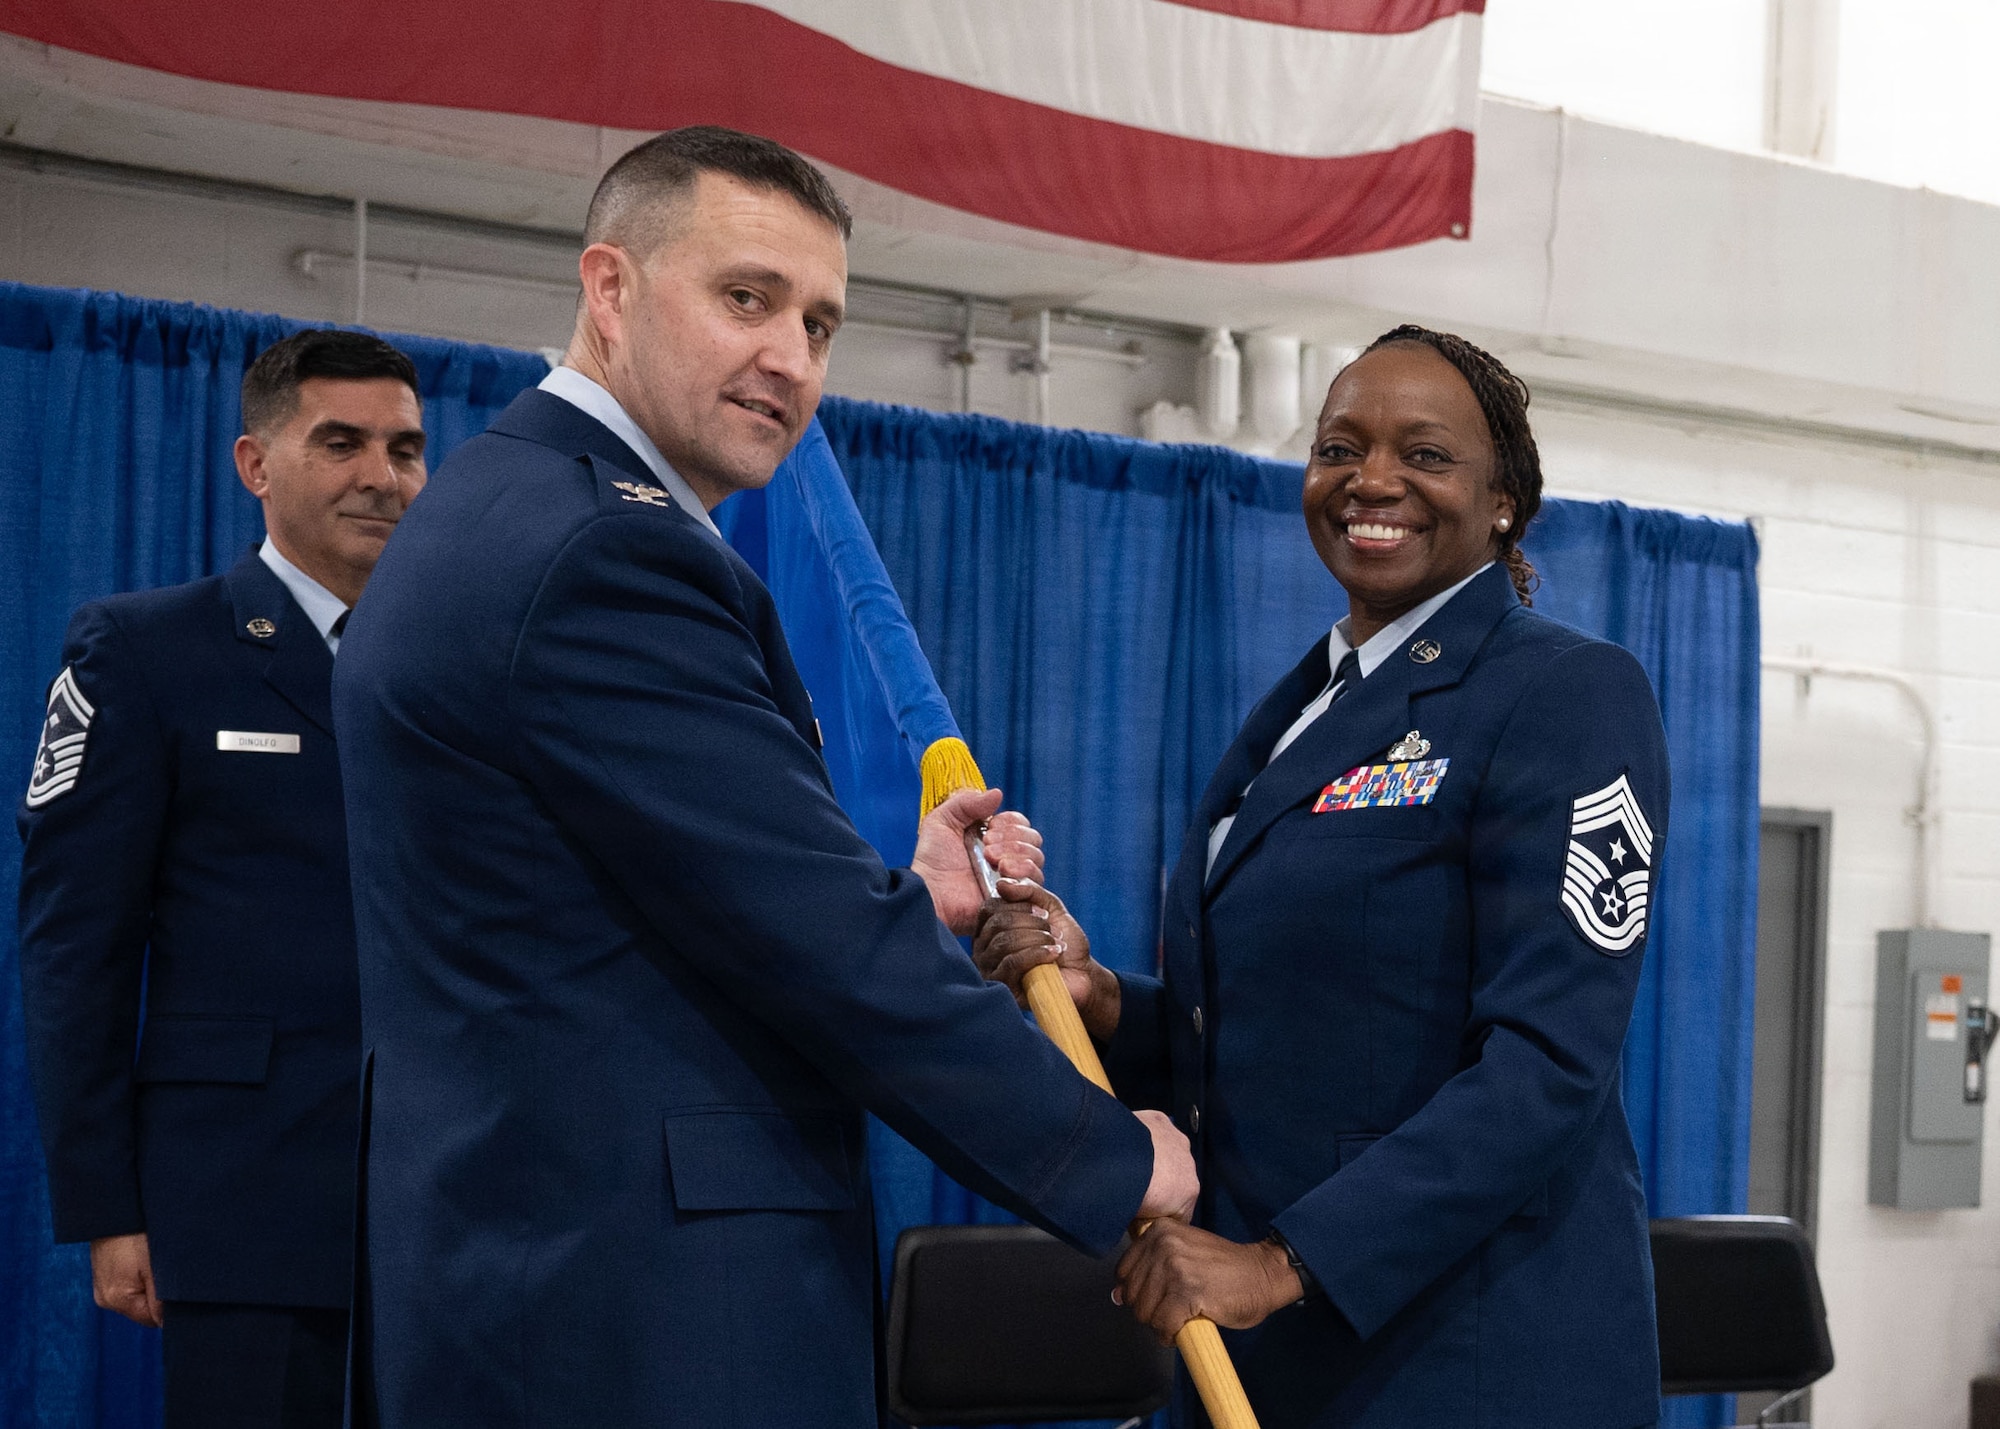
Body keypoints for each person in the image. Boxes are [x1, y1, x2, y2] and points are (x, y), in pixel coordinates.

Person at [332, 125, 1196, 1427]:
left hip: (536, 1276)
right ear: (611, 289)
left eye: (821, 323)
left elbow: (679, 899)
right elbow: (818, 945)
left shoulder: (502, 508)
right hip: (641, 1314)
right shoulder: (600, 554)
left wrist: (914, 900)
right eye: (746, 298)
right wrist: (1113, 1151)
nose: (789, 357)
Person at [976, 326, 1670, 1429]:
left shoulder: (1566, 693)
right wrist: (1103, 994)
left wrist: (1279, 1262)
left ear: (1502, 501)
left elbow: (1546, 1066)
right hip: (1270, 1353)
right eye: (1339, 445)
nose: (1371, 480)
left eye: (1424, 454)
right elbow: (1273, 1028)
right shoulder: (1303, 709)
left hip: (1464, 1361)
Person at [17, 329, 428, 1428]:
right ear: (255, 463)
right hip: (239, 1192)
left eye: (404, 448)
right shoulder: (146, 651)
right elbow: (75, 946)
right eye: (340, 441)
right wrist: (109, 1208)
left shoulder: (457, 666)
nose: (380, 477)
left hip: (446, 1197)